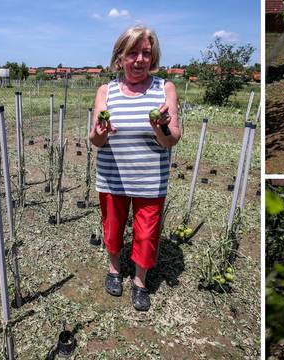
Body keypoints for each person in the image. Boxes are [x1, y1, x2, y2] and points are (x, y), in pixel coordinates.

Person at [89, 25, 180, 311]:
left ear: (152, 58)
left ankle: (140, 281)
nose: (139, 59)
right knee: (113, 228)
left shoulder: (165, 88)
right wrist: (102, 130)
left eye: (146, 53)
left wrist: (160, 127)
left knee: (146, 233)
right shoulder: (106, 91)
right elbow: (95, 139)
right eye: (132, 53)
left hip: (150, 179)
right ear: (120, 58)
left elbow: (172, 139)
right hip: (112, 177)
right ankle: (114, 268)